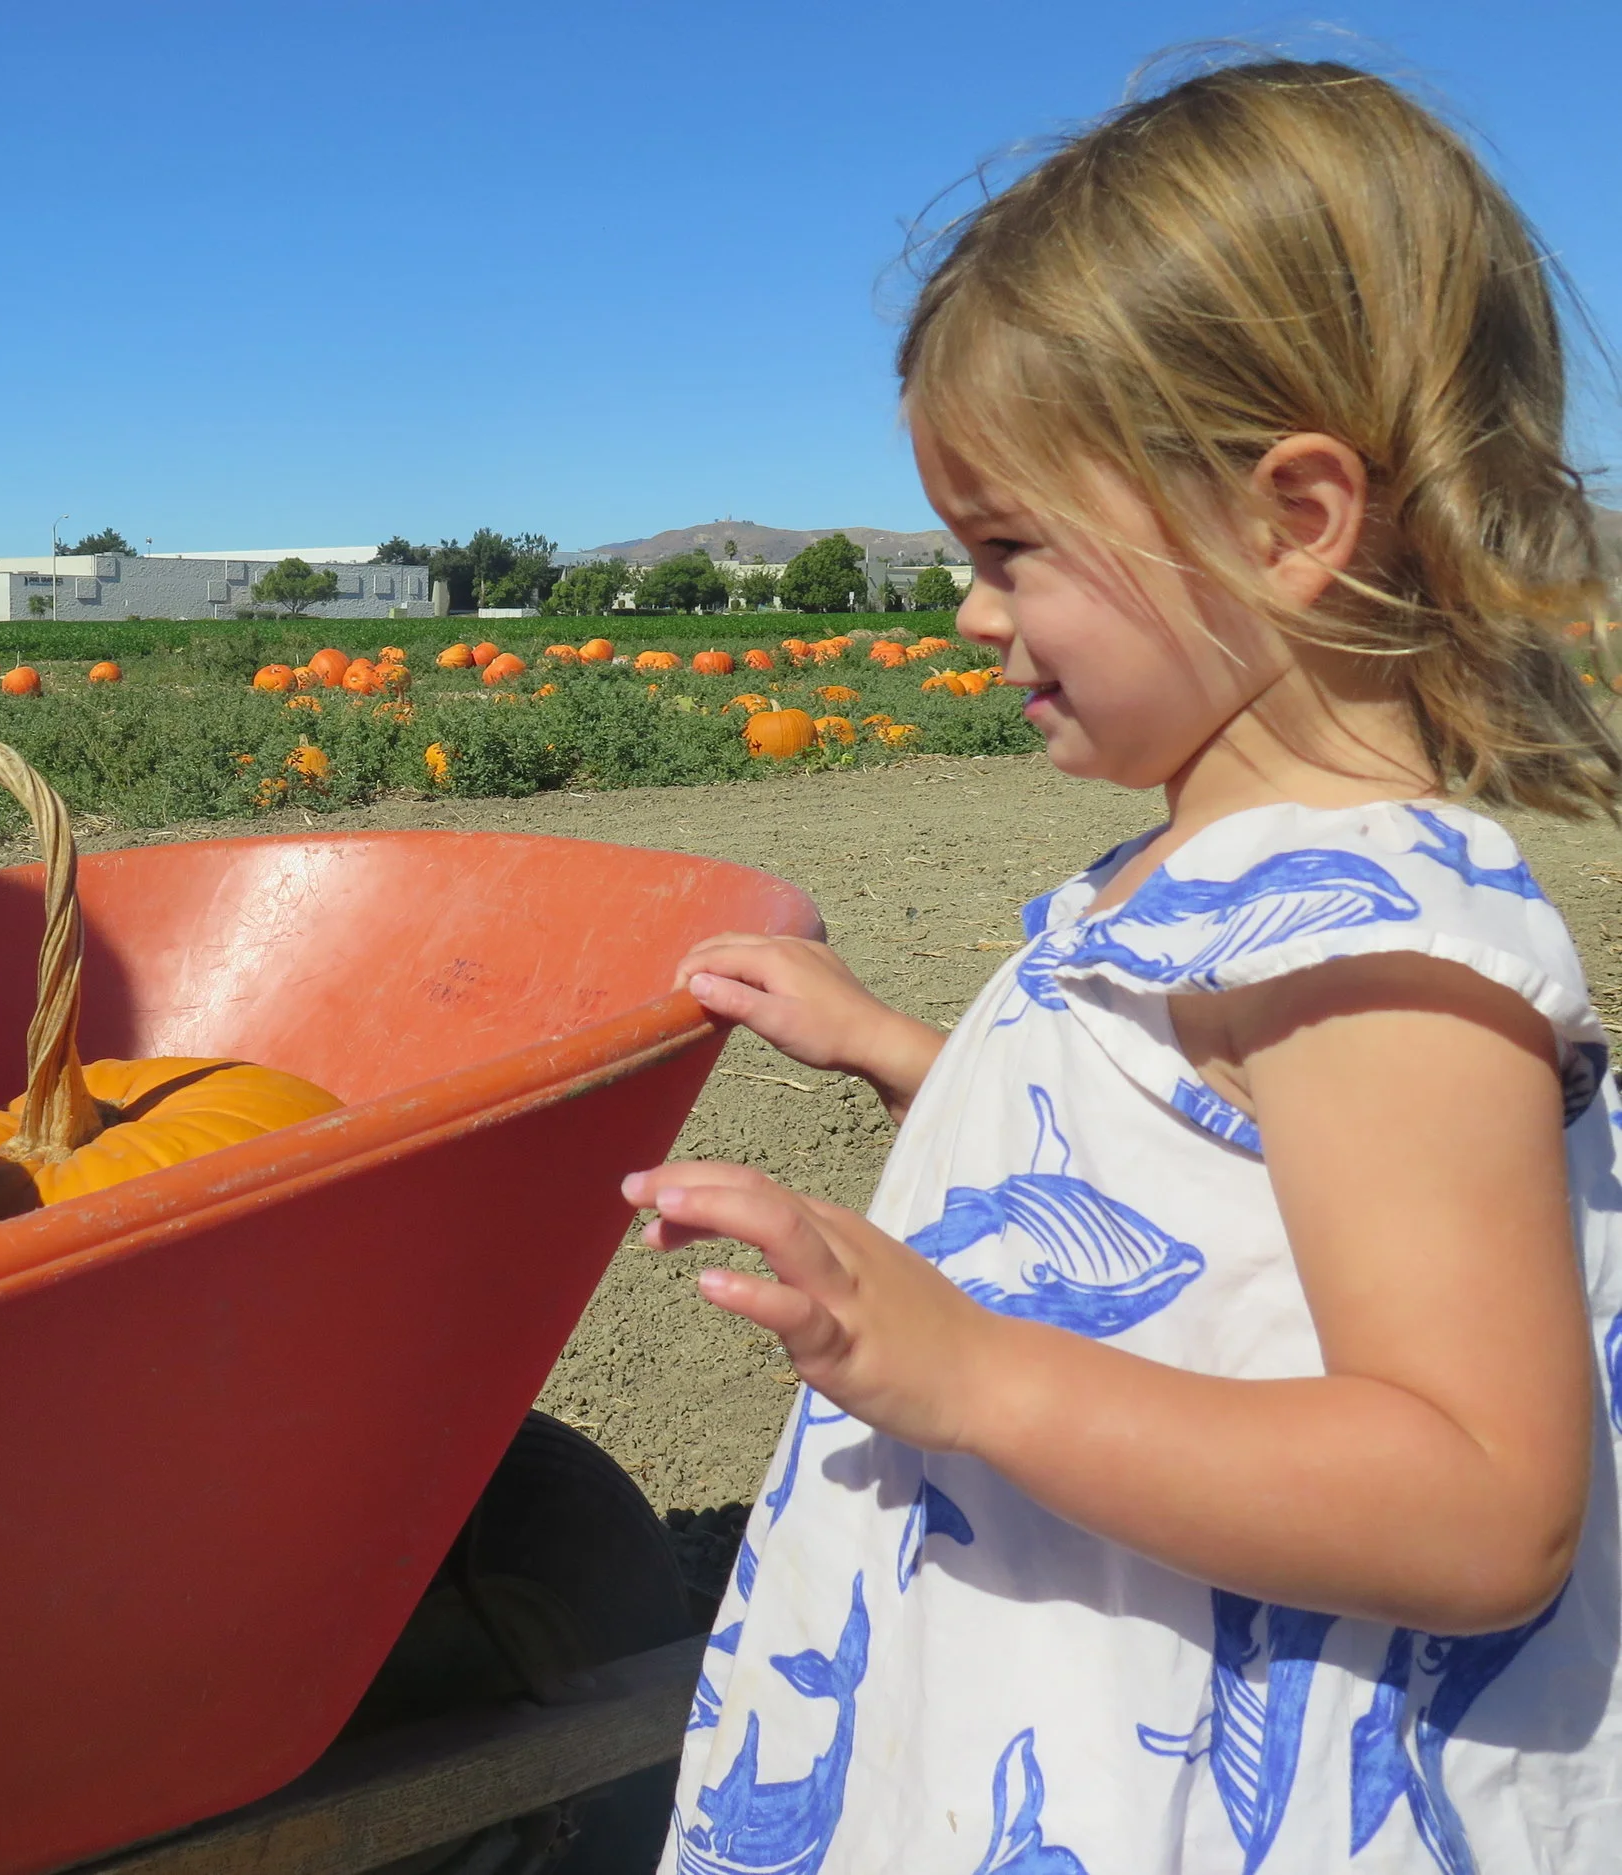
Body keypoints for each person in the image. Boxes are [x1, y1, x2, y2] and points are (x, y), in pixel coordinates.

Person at [634, 57, 1622, 1874]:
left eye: (1012, 548)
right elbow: (1203, 1183)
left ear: (1291, 522)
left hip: (1194, 1767)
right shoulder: (1216, 877)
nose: (969, 609)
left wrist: (971, 1374)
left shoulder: (1373, 951)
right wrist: (901, 1056)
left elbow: (1486, 1503)